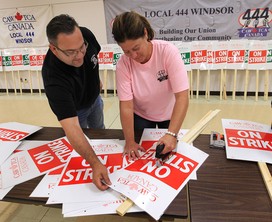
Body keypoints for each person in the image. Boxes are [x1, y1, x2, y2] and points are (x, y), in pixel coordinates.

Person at [42, 14, 110, 190]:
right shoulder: (53, 77)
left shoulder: (85, 35)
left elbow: (95, 56)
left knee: (100, 132)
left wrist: (95, 80)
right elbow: (71, 126)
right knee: (81, 139)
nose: (79, 55)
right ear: (54, 48)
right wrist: (95, 164)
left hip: (95, 100)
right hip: (76, 111)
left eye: (81, 48)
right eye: (71, 52)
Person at [112, 11, 189, 159]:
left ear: (145, 34)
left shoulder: (167, 52)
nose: (133, 56)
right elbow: (126, 106)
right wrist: (129, 141)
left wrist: (171, 134)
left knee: (168, 153)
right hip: (141, 115)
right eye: (126, 51)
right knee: (139, 156)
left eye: (136, 48)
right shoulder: (123, 64)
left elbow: (182, 97)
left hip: (169, 114)